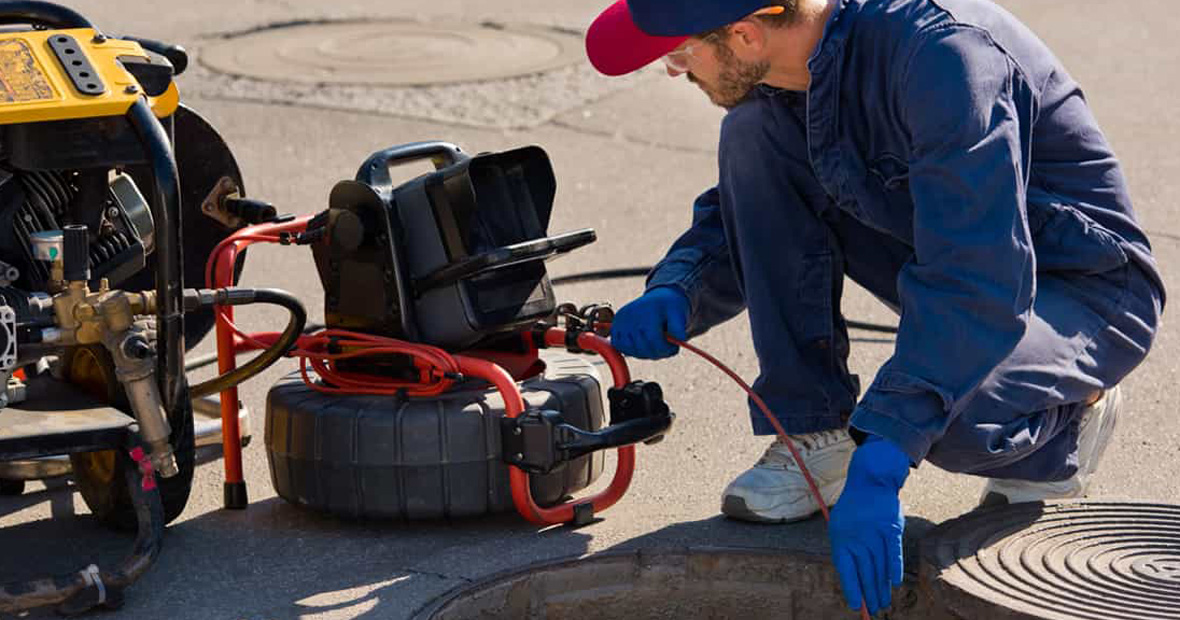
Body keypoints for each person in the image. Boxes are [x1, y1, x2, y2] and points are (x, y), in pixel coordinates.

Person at [585, 0, 1165, 614]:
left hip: (1081, 288)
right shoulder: (800, 61)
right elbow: (764, 199)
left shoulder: (945, 60)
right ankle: (818, 429)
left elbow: (975, 278)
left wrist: (886, 452)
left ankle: (1069, 414)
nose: (674, 70)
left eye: (679, 52)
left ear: (746, 33)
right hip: (948, 248)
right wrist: (679, 286)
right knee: (753, 133)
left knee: (946, 423)